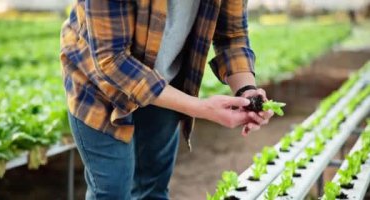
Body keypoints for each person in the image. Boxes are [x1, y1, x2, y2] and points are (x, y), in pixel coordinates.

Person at [60, 0, 273, 199]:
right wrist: (201, 108)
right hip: (98, 84)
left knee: (153, 185)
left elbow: (232, 35)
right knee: (112, 188)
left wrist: (246, 91)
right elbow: (112, 60)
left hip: (166, 82)